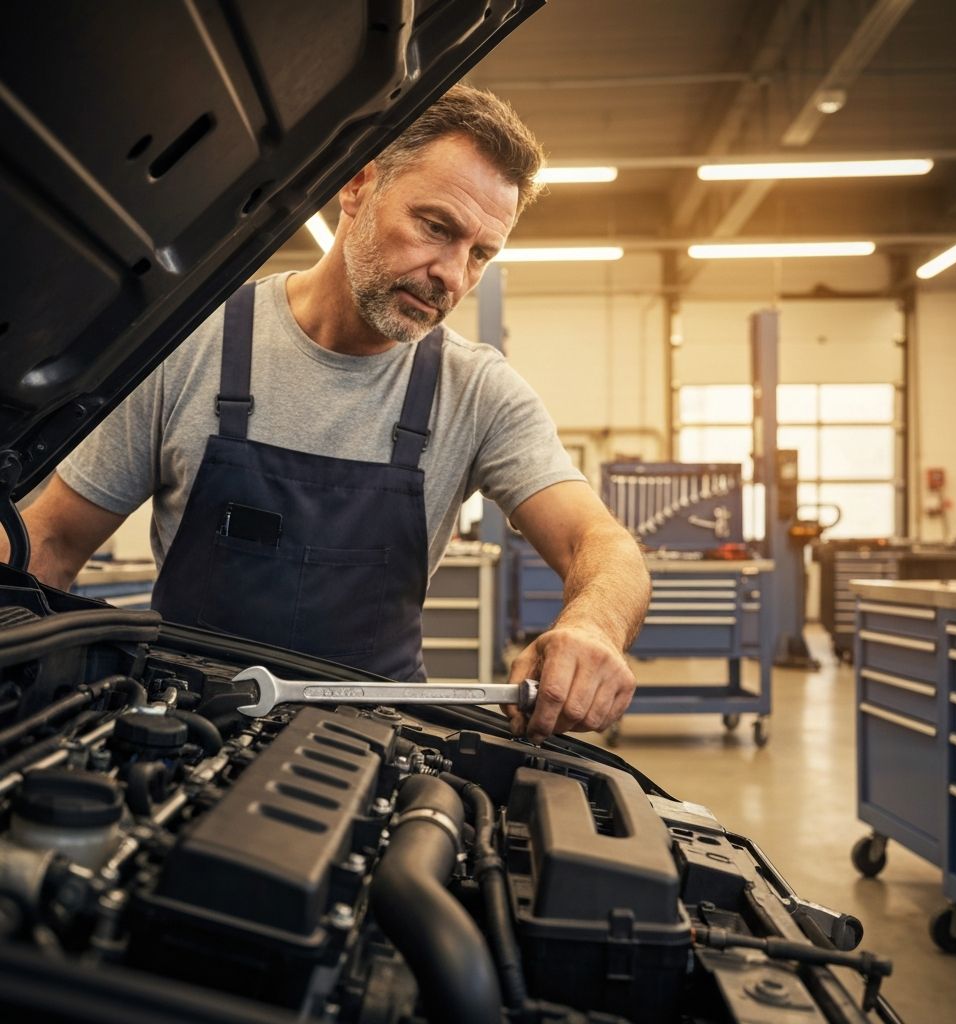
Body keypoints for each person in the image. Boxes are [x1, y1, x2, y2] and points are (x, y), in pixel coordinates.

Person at [7, 85, 650, 743]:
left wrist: (591, 626)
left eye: (480, 254)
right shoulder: (190, 344)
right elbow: (51, 541)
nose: (452, 276)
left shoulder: (478, 391)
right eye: (437, 227)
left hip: (375, 749)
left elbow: (601, 544)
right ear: (356, 185)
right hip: (180, 738)